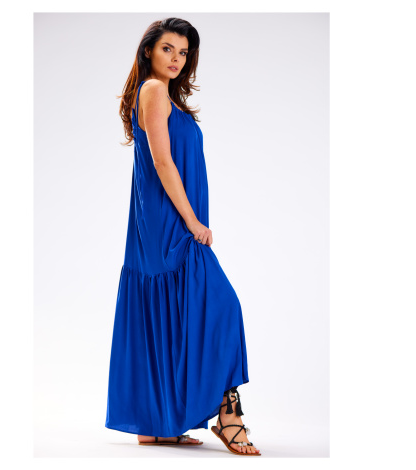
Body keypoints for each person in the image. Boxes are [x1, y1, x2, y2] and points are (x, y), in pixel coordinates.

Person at [105, 17, 260, 456]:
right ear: (149, 51)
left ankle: (157, 425)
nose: (176, 58)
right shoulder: (154, 90)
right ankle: (228, 416)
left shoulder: (161, 94)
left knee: (171, 314)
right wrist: (192, 221)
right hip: (169, 223)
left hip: (162, 221)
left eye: (183, 52)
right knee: (222, 305)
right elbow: (162, 161)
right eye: (168, 48)